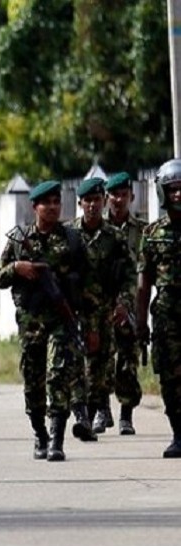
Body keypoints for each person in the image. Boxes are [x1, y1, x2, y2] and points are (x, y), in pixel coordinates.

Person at [0, 180, 93, 461]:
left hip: (62, 320)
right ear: (34, 206)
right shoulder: (18, 240)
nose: (52, 207)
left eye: (56, 202)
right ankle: (40, 434)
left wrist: (90, 324)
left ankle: (57, 440)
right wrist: (17, 268)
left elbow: (88, 284)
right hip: (31, 324)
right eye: (46, 202)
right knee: (33, 381)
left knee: (57, 375)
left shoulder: (73, 240)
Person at [71, 177, 136, 440]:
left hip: (106, 311)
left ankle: (97, 410)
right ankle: (82, 415)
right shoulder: (69, 235)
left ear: (103, 201)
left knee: (102, 366)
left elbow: (130, 275)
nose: (92, 205)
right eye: (87, 201)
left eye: (97, 200)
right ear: (80, 203)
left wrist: (124, 303)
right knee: (78, 365)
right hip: (77, 312)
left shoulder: (115, 237)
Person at [136, 159, 181, 458]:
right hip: (166, 316)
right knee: (170, 377)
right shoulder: (151, 233)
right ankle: (179, 433)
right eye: (173, 189)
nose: (178, 195)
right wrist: (141, 326)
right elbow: (143, 283)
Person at [103, 171, 147, 434]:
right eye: (114, 195)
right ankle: (102, 409)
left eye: (123, 195)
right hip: (101, 304)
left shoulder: (142, 230)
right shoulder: (98, 228)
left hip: (129, 304)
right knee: (100, 360)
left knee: (128, 361)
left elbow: (145, 271)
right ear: (107, 198)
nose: (119, 200)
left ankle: (126, 415)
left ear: (131, 196)